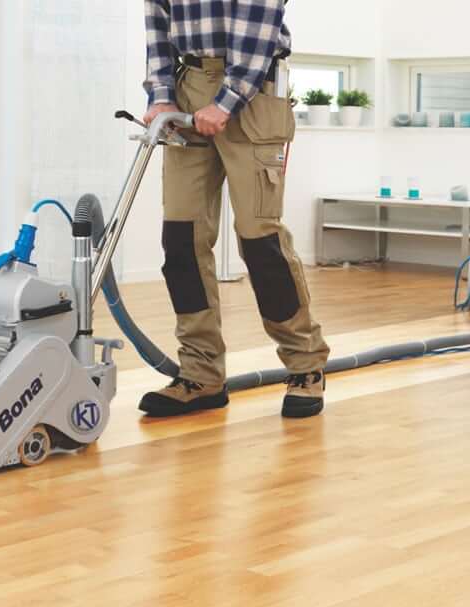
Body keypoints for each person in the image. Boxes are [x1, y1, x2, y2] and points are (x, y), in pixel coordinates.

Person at [137, 0, 330, 419]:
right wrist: (162, 96)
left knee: (260, 240)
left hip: (253, 88)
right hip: (189, 85)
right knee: (182, 238)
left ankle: (305, 366)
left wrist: (226, 101)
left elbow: (258, 25)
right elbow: (158, 29)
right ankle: (201, 373)